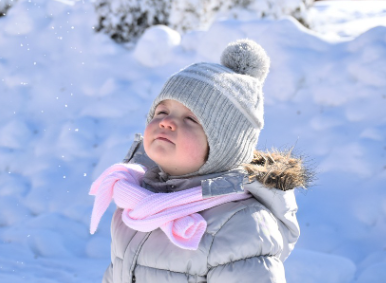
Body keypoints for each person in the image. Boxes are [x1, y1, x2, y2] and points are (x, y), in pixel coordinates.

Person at [89, 39, 309, 283]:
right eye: (162, 112)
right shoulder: (137, 202)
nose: (166, 122)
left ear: (224, 146)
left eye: (190, 119)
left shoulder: (240, 223)